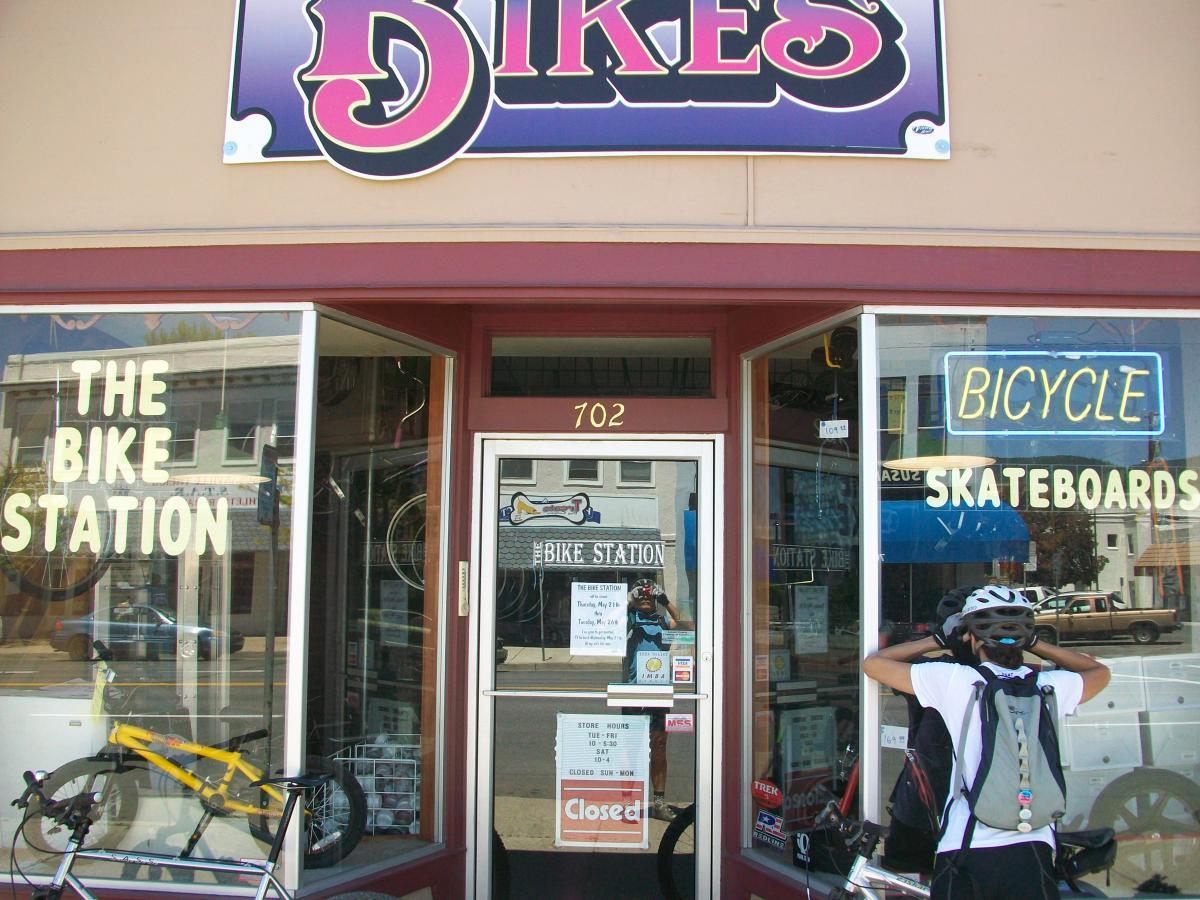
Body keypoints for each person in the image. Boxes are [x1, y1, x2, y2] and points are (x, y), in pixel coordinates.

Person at [864, 584, 1110, 899]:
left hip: (967, 847)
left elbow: (874, 664)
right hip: (1033, 846)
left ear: (972, 636)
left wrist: (938, 639)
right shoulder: (1047, 686)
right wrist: (1036, 644)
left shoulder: (957, 681)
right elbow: (1099, 672)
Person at [624, 574, 689, 821]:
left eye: (649, 595)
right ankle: (629, 803)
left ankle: (659, 803)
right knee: (631, 749)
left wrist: (666, 599)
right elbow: (607, 627)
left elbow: (689, 627)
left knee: (659, 746)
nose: (645, 598)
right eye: (641, 594)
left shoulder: (663, 621)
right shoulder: (630, 619)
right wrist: (629, 602)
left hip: (658, 693)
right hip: (632, 693)